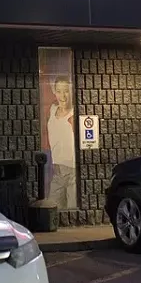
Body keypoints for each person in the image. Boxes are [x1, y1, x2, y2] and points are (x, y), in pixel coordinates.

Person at [45, 76, 77, 210]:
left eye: (66, 91)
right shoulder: (52, 110)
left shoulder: (75, 113)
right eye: (59, 91)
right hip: (57, 173)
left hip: (73, 174)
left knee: (72, 210)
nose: (62, 96)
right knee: (53, 211)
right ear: (54, 91)